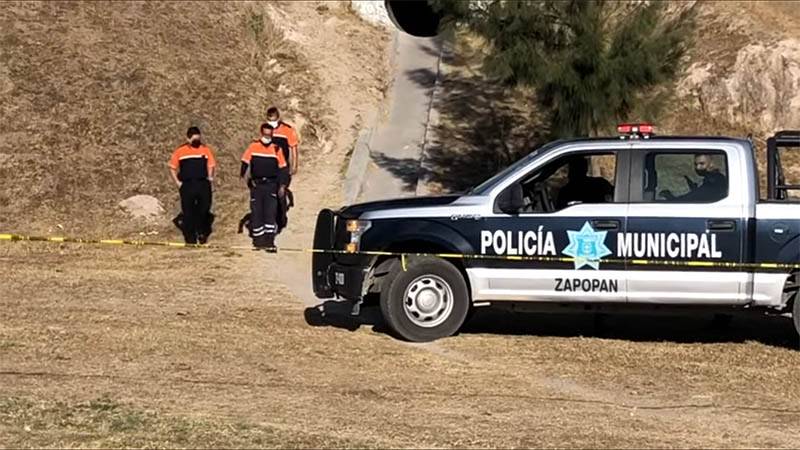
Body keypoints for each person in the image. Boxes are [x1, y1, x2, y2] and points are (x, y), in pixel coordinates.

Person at [240, 123, 289, 250]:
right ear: (261, 133)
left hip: (271, 185)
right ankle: (258, 241)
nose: (267, 137)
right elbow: (244, 163)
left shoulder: (277, 149)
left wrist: (282, 185)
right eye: (265, 134)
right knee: (256, 212)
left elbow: (283, 168)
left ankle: (269, 241)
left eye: (269, 134)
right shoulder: (253, 146)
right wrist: (245, 180)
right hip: (257, 185)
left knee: (270, 212)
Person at [168, 126, 216, 244]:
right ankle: (190, 239)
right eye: (194, 141)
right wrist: (178, 183)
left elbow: (211, 164)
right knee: (188, 212)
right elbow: (172, 167)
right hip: (187, 185)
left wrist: (210, 177)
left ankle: (201, 232)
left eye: (198, 140)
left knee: (204, 208)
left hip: (203, 183)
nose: (197, 143)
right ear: (188, 139)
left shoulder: (205, 149)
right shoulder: (180, 151)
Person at [660, 154, 727, 202]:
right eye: (696, 164)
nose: (697, 167)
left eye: (702, 164)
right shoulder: (715, 177)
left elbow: (693, 197)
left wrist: (670, 197)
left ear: (711, 163)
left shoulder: (714, 180)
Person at [266, 106, 299, 183]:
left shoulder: (287, 130)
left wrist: (294, 166)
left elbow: (293, 148)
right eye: (269, 121)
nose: (271, 123)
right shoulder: (266, 129)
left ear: (278, 119)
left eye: (273, 121)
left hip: (283, 164)